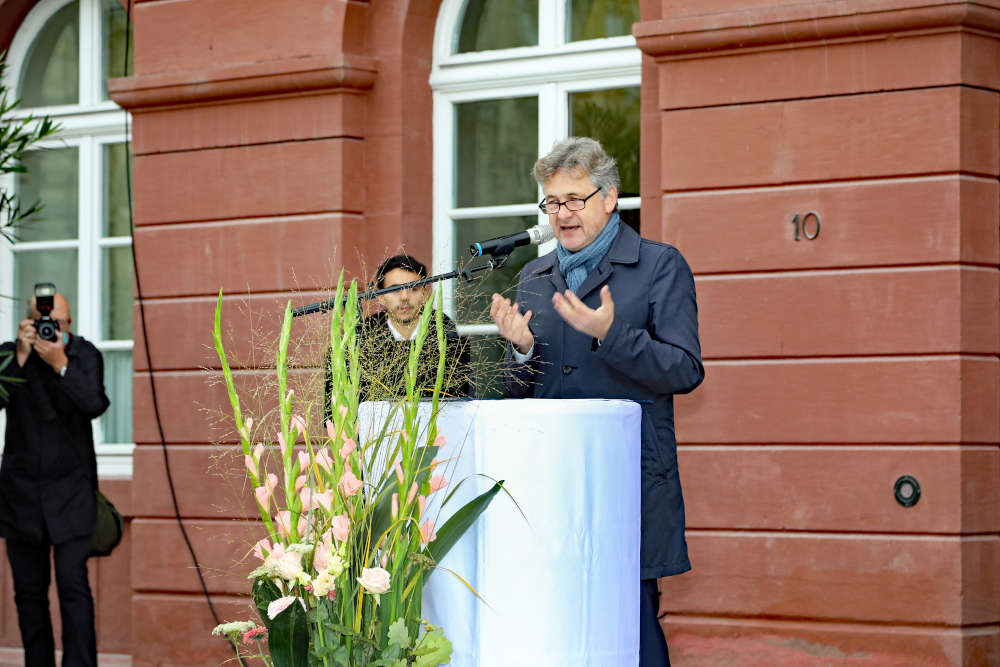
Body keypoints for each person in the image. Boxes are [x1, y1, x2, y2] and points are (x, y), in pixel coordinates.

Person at [489, 137, 704, 666]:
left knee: (630, 627)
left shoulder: (658, 266)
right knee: (556, 622)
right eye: (552, 203)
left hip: (627, 481)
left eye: (574, 199)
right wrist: (520, 352)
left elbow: (685, 368)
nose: (562, 214)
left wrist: (613, 335)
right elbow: (518, 394)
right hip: (550, 485)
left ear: (609, 198)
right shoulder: (533, 278)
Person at [0, 291, 109, 667]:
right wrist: (21, 355)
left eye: (59, 323)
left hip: (72, 497)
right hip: (21, 499)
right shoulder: (10, 354)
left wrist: (61, 363)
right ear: (27, 323)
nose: (51, 328)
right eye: (42, 322)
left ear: (70, 323)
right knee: (29, 594)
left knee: (74, 590)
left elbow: (95, 403)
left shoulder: (85, 354)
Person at [325, 254, 472, 412]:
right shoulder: (360, 338)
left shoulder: (447, 335)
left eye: (414, 289)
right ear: (381, 297)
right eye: (395, 290)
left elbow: (458, 403)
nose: (404, 297)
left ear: (425, 294)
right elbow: (337, 410)